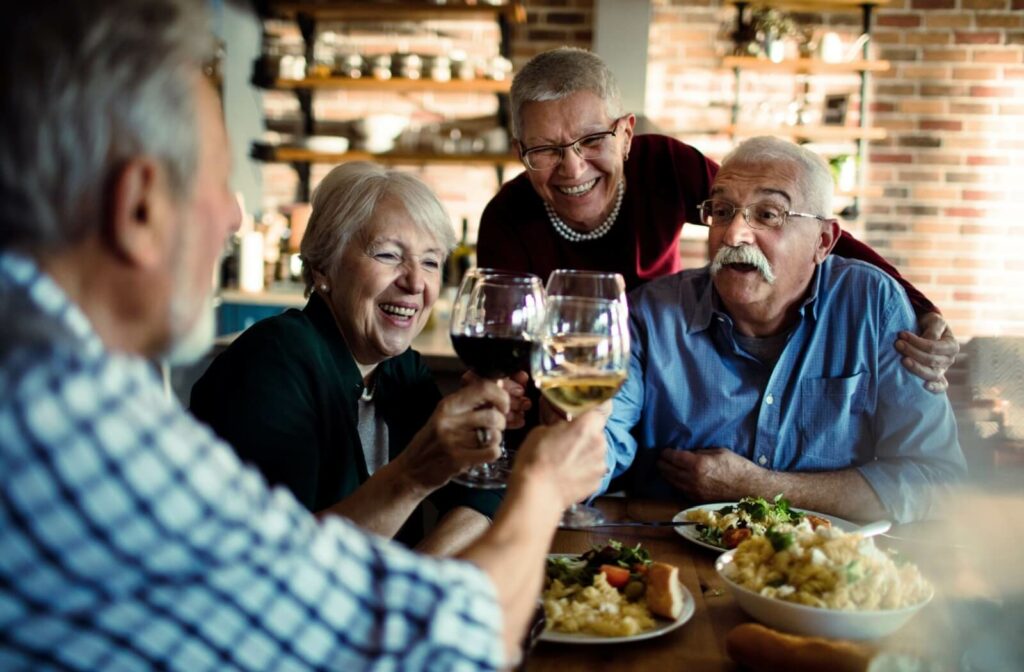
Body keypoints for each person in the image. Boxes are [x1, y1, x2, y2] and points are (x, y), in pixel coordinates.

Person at [0, 1, 607, 669]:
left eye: (432, 261)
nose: (234, 216)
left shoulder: (66, 379)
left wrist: (454, 488)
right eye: (218, 181)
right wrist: (543, 485)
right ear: (140, 204)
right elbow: (434, 644)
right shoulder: (71, 416)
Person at [477, 47, 958, 392]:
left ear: (626, 134)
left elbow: (795, 223)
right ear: (521, 153)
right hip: (566, 390)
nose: (573, 167)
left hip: (659, 370)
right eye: (545, 149)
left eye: (592, 140)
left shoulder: (663, 164)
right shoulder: (505, 219)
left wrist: (920, 306)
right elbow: (505, 353)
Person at [602, 137, 967, 524]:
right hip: (672, 566)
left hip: (825, 572)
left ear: (823, 242)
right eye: (723, 211)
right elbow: (601, 443)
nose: (734, 235)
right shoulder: (648, 315)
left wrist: (759, 486)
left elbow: (936, 480)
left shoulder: (872, 307)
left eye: (768, 215)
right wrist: (565, 429)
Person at [191, 162, 524, 555]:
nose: (415, 282)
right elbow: (279, 559)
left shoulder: (400, 370)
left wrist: (414, 576)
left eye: (431, 261)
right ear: (322, 267)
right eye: (387, 255)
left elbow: (482, 495)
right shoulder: (271, 363)